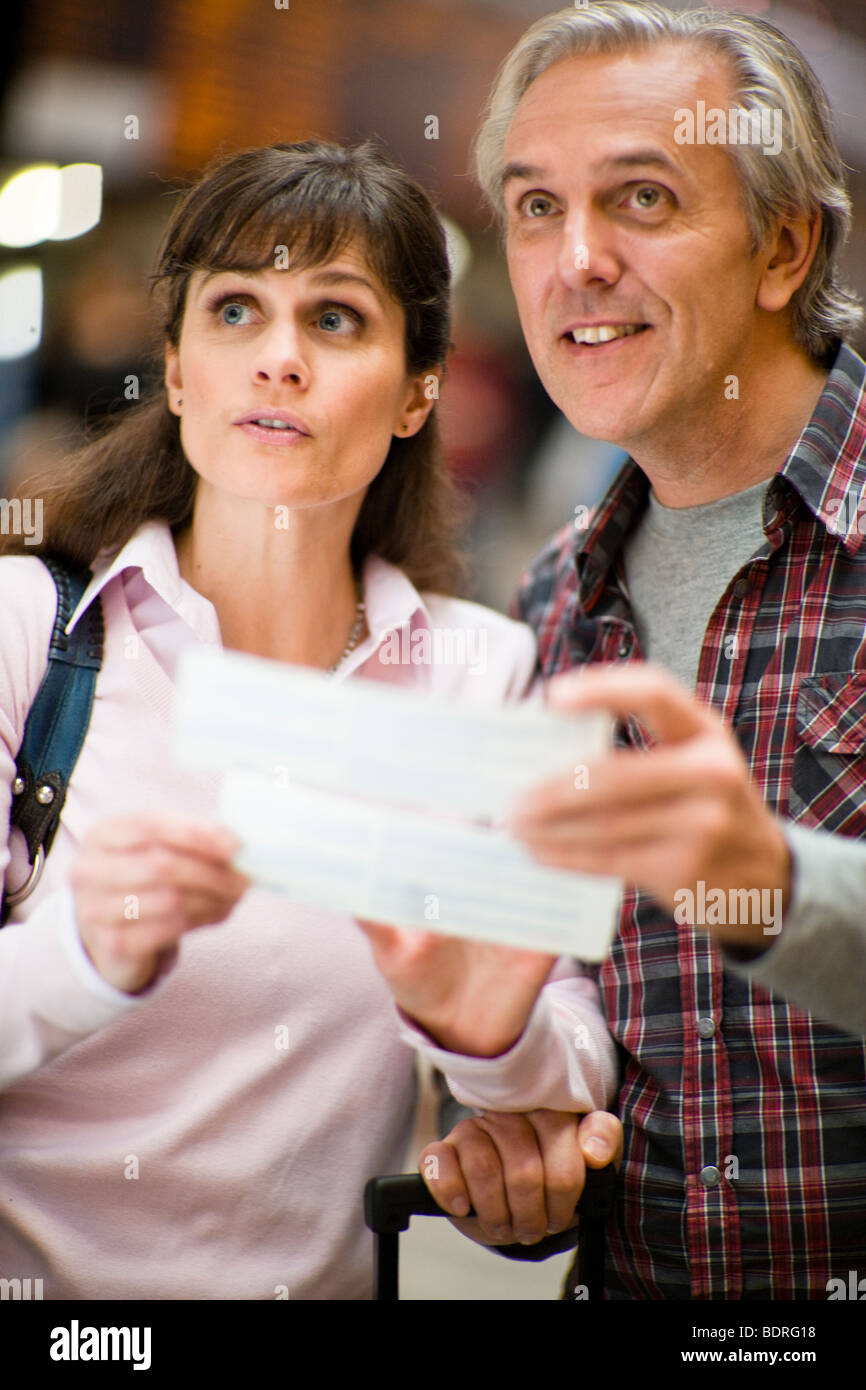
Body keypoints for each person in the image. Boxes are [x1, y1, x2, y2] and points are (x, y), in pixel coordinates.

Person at [0, 139, 619, 1299]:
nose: (277, 359)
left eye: (335, 321)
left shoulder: (479, 672)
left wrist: (491, 1043)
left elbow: (563, 1039)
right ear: (177, 370)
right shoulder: (27, 637)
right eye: (236, 311)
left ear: (417, 390)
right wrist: (82, 951)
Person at [381, 2, 866, 1299]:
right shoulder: (553, 600)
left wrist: (765, 883)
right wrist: (521, 1136)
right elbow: (584, 1011)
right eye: (535, 208)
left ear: (780, 246)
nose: (573, 260)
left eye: (640, 198)